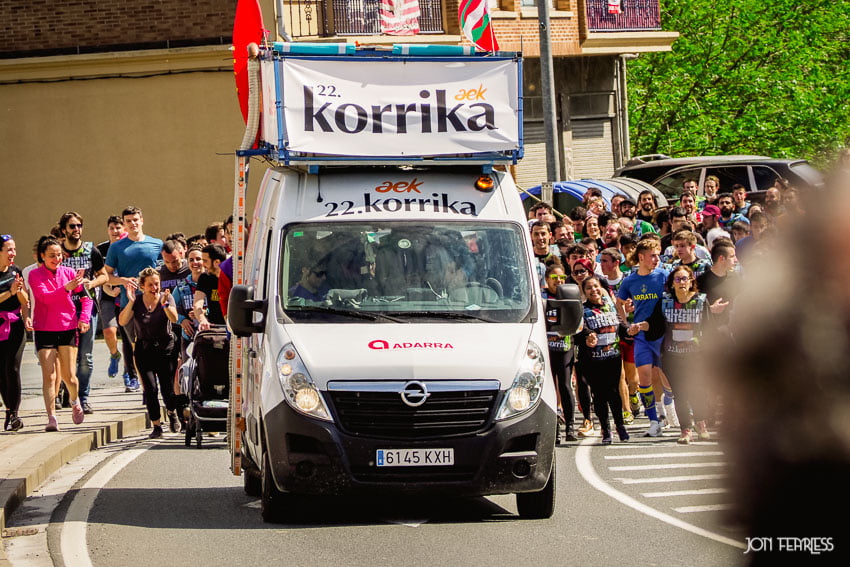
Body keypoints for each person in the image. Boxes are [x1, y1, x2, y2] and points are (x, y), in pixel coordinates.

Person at [653, 266, 726, 444]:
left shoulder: (700, 301)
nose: (681, 282)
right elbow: (654, 325)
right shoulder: (665, 301)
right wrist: (639, 326)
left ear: (691, 281)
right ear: (672, 283)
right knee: (680, 393)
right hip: (672, 356)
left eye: (685, 278)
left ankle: (700, 424)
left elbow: (709, 328)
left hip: (696, 357)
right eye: (677, 279)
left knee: (697, 391)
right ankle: (685, 430)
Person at [30, 236, 92, 431]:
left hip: (67, 328)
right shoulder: (34, 275)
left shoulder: (69, 273)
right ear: (42, 256)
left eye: (59, 255)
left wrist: (84, 318)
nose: (56, 259)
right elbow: (44, 298)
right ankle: (51, 417)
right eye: (51, 255)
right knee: (49, 376)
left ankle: (75, 401)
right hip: (44, 329)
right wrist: (66, 288)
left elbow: (86, 299)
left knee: (69, 377)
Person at [105, 206, 163, 393]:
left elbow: (163, 273)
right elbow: (106, 276)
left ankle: (158, 383)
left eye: (135, 220)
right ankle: (147, 389)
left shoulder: (157, 244)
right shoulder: (116, 247)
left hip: (155, 305)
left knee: (159, 347)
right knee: (137, 348)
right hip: (129, 305)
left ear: (142, 220)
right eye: (128, 221)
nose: (132, 224)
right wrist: (122, 280)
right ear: (124, 224)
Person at [118, 268, 180, 438]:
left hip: (165, 348)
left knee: (167, 388)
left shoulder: (166, 297)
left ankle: (171, 412)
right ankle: (156, 425)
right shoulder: (137, 301)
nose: (154, 288)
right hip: (144, 349)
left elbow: (174, 319)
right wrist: (130, 302)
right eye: (150, 285)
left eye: (157, 284)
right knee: (150, 389)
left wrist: (165, 305)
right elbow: (122, 321)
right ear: (142, 286)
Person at [616, 238, 668, 436]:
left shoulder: (663, 276)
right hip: (641, 335)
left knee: (666, 377)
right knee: (644, 378)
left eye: (658, 255)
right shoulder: (630, 281)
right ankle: (654, 421)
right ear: (641, 257)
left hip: (662, 334)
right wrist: (625, 325)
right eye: (652, 256)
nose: (656, 259)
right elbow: (619, 302)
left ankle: (668, 407)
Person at [58, 212, 105, 414]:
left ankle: (83, 398)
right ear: (64, 230)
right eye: (72, 226)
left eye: (79, 225)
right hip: (62, 310)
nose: (76, 229)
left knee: (85, 357)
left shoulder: (91, 251)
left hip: (87, 309)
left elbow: (104, 276)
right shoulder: (58, 252)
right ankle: (64, 392)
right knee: (63, 356)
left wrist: (91, 283)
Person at [577, 276, 631, 445]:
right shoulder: (583, 310)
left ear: (601, 288)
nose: (593, 290)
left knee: (614, 393)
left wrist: (630, 330)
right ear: (584, 292)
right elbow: (578, 331)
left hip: (613, 357)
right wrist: (587, 336)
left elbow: (621, 326)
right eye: (589, 288)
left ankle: (620, 426)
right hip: (593, 360)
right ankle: (605, 429)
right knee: (599, 395)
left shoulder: (610, 306)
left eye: (596, 286)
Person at [543, 263, 577, 442]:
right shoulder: (541, 297)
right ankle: (553, 428)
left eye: (562, 277)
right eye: (554, 278)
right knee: (548, 387)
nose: (558, 281)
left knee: (564, 385)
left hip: (564, 346)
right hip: (547, 347)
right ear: (547, 279)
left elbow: (578, 321)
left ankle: (570, 426)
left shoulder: (570, 295)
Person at [0, 234, 29, 431]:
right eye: (9, 250)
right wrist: (10, 292)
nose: (13, 253)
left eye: (14, 249)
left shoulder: (15, 271)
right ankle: (9, 410)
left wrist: (18, 292)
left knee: (13, 368)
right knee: (1, 372)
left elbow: (25, 300)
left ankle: (14, 415)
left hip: (15, 325)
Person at [96, 216, 125, 380]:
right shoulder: (101, 250)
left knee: (129, 338)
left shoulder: (129, 247)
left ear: (124, 229)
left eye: (118, 228)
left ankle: (129, 372)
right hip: (107, 295)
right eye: (112, 228)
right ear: (108, 230)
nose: (115, 231)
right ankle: (114, 355)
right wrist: (109, 290)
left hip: (126, 294)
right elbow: (99, 274)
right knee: (108, 331)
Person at [194, 244, 227, 329]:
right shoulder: (204, 278)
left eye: (205, 261)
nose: (203, 264)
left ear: (216, 262)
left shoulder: (231, 277)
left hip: (232, 327)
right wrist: (203, 320)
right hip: (214, 328)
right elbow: (197, 303)